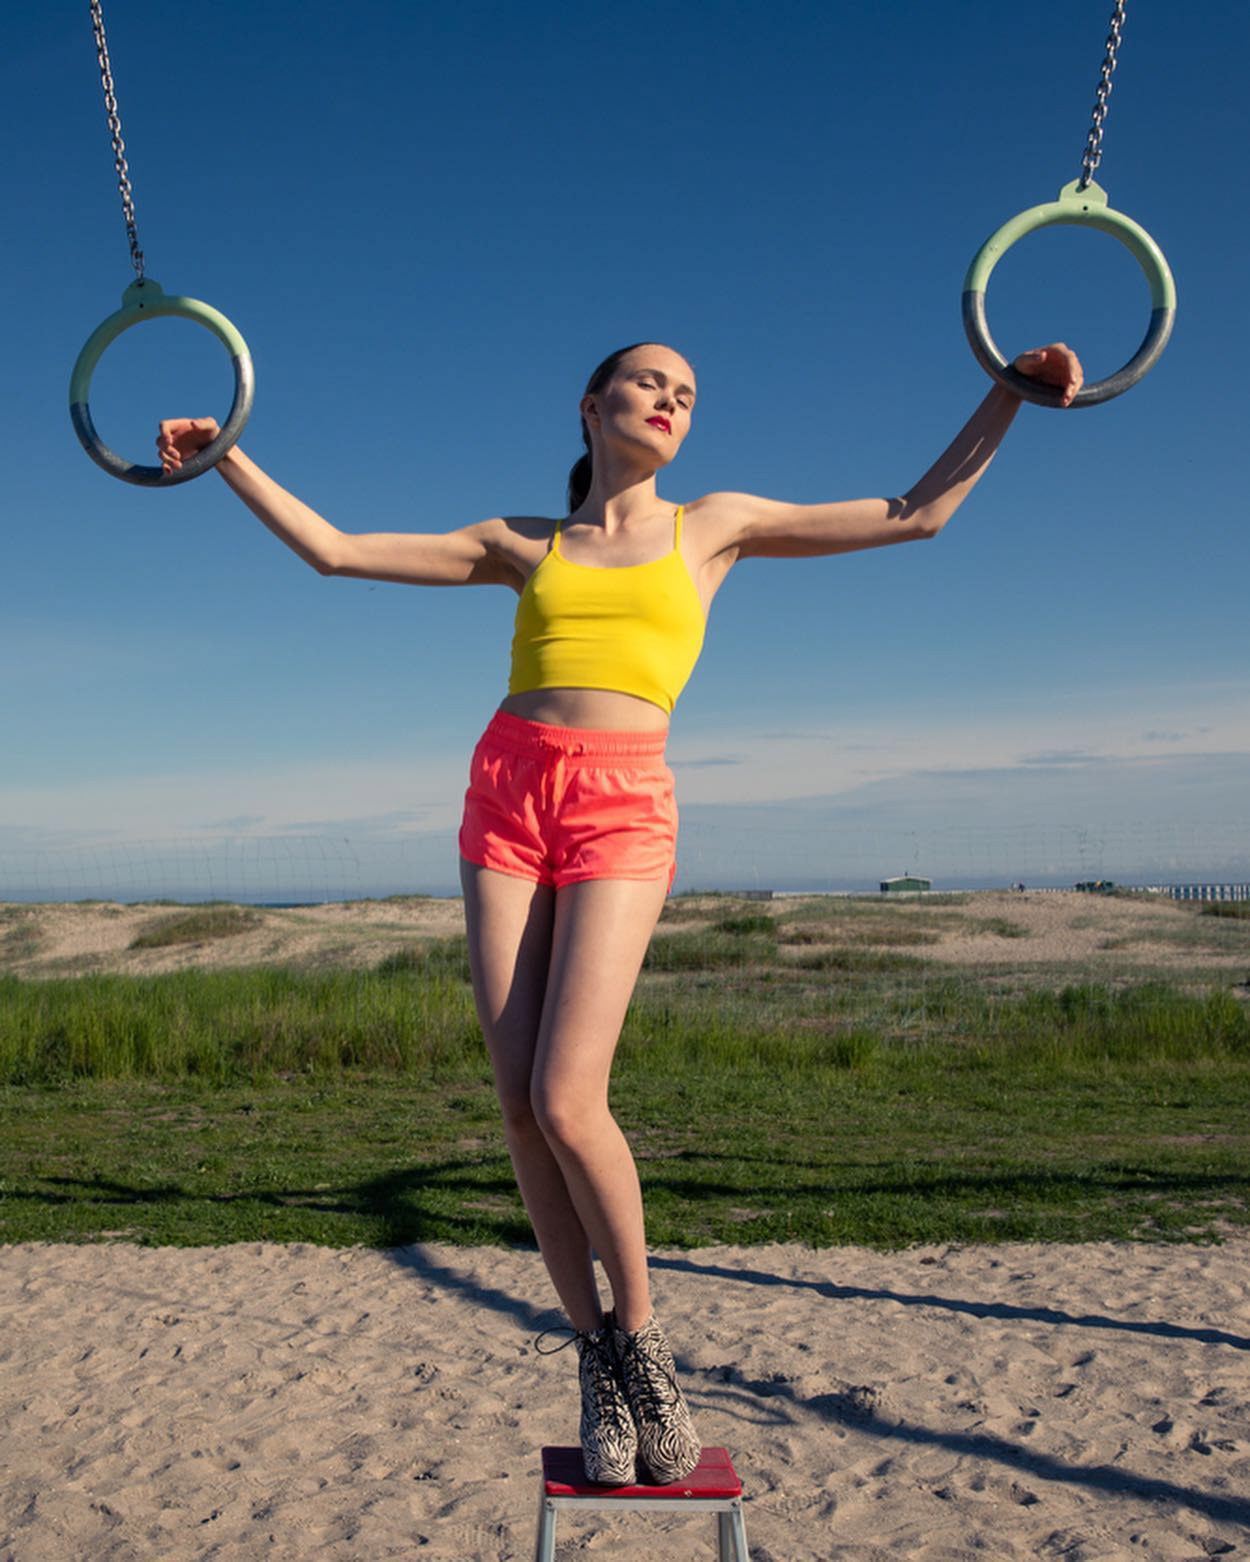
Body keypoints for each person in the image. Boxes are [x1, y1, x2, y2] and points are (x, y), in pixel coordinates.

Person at [156, 336, 1083, 1485]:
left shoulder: (714, 525)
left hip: (620, 800)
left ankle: (641, 1341)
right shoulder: (523, 542)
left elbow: (915, 513)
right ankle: (591, 1355)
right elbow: (336, 551)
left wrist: (1010, 391)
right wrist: (225, 455)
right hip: (505, 788)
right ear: (592, 403)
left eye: (687, 395)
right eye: (651, 381)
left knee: (565, 1091)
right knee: (514, 1102)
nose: (671, 401)